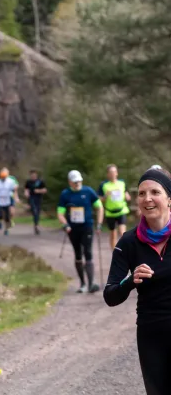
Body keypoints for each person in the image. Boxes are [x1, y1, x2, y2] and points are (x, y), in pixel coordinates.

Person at [104, 168, 171, 394]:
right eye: (142, 193)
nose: (147, 198)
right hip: (151, 333)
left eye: (155, 192)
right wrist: (131, 281)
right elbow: (110, 295)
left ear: (169, 199)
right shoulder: (129, 242)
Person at [57, 170, 104, 293]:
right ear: (70, 182)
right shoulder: (65, 194)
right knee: (78, 254)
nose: (77, 183)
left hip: (87, 226)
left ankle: (91, 284)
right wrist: (65, 224)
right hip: (72, 228)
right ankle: (82, 283)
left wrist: (99, 223)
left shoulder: (88, 191)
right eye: (74, 182)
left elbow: (99, 207)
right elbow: (60, 213)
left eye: (78, 181)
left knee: (88, 252)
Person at [98, 164, 131, 249]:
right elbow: (99, 199)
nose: (113, 174)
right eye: (111, 172)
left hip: (121, 210)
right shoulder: (104, 185)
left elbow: (127, 195)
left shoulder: (122, 183)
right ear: (108, 174)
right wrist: (105, 196)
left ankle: (126, 251)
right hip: (110, 212)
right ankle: (114, 253)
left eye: (114, 172)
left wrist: (127, 196)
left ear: (117, 173)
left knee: (123, 232)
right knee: (113, 234)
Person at [0, 168, 18, 236]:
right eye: (2, 177)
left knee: (7, 217)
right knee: (0, 214)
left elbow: (14, 190)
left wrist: (15, 198)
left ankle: (6, 229)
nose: (3, 178)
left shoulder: (10, 182)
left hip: (7, 201)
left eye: (4, 177)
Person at [24, 170, 47, 235]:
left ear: (36, 175)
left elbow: (45, 190)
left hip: (39, 198)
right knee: (34, 211)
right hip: (31, 198)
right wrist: (26, 194)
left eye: (34, 175)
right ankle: (36, 226)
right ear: (30, 175)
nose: (33, 176)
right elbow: (26, 190)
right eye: (32, 175)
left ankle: (36, 225)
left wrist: (38, 191)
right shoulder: (28, 182)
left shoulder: (40, 182)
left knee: (37, 212)